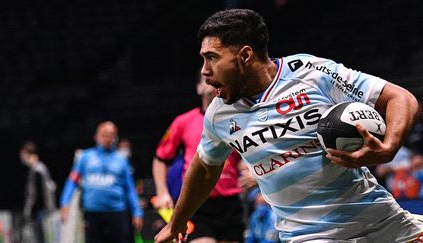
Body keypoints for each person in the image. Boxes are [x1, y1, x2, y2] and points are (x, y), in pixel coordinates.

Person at [154, 9, 423, 243]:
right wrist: (177, 222)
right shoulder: (218, 115)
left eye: (212, 57)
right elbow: (204, 168)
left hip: (385, 222)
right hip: (311, 236)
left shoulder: (310, 72)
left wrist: (388, 148)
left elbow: (401, 98)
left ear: (245, 55)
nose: (204, 70)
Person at [152, 73, 245, 242]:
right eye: (208, 81)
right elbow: (160, 158)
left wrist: (252, 174)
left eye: (219, 80)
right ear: (199, 88)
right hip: (197, 204)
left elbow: (247, 157)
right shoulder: (183, 122)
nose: (214, 83)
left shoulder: (236, 120)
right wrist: (162, 192)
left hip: (230, 203)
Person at [60, 121, 143, 243]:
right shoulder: (85, 157)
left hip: (117, 214)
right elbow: (72, 181)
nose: (108, 138)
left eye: (111, 134)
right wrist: (64, 202)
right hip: (92, 214)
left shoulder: (121, 160)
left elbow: (129, 189)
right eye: (104, 134)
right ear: (96, 136)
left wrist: (137, 212)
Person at [19, 141, 57, 243]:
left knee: (40, 238)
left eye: (23, 155)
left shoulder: (38, 170)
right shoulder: (38, 169)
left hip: (40, 212)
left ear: (28, 154)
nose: (22, 158)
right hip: (42, 211)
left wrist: (28, 212)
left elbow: (36, 195)